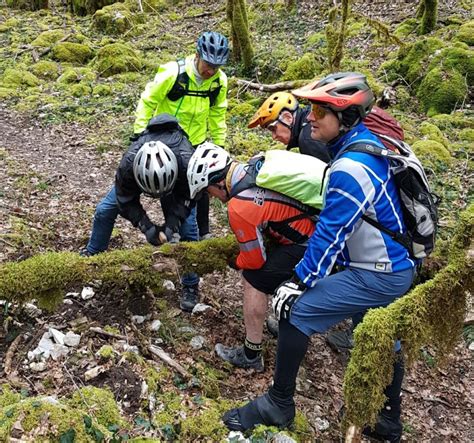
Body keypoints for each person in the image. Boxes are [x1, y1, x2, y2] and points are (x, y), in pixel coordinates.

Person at [222, 73, 417, 443]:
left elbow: (331, 232)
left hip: (379, 271)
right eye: (311, 109)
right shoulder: (363, 147)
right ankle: (388, 420)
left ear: (345, 118)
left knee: (295, 312)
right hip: (391, 263)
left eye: (319, 112)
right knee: (380, 336)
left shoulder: (350, 167)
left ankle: (278, 403)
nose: (309, 118)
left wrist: (299, 282)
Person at [187, 143, 317, 372]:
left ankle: (251, 354)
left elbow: (254, 260)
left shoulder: (239, 207)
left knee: (253, 279)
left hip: (310, 244)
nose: (214, 198)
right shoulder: (254, 166)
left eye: (209, 192)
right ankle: (282, 320)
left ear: (219, 183)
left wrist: (235, 262)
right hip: (319, 229)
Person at [81, 114, 202, 312]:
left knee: (188, 231)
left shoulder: (187, 162)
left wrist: (172, 224)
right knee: (104, 211)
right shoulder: (128, 163)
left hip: (178, 181)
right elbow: (125, 201)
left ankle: (190, 284)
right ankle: (93, 254)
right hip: (139, 173)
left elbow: (189, 198)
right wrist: (147, 227)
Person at [133, 31, 229, 241]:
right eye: (208, 64)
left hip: (196, 141)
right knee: (170, 186)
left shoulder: (219, 81)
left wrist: (219, 144)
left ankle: (204, 232)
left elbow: (217, 112)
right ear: (197, 55)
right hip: (168, 140)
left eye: (216, 66)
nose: (211, 70)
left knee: (202, 185)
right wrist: (140, 134)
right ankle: (174, 231)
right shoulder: (173, 73)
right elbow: (148, 101)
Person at [248, 91, 330, 162]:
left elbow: (326, 176)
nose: (273, 136)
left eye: (273, 128)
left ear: (288, 118)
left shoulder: (307, 138)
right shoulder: (308, 121)